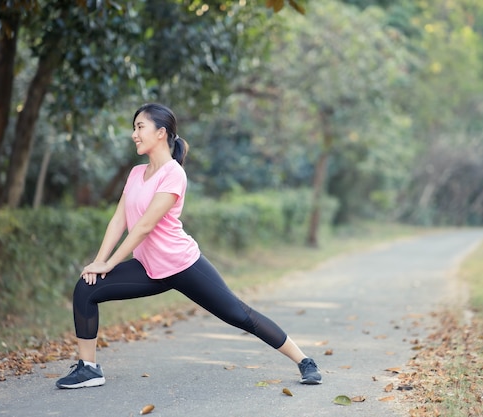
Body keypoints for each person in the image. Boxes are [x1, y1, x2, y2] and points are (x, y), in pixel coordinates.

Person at [55, 103, 322, 389]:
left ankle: (304, 360)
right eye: (134, 128)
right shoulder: (135, 174)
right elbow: (119, 219)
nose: (134, 134)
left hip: (183, 265)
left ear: (161, 133)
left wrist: (109, 264)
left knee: (238, 314)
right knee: (86, 287)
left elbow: (145, 226)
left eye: (139, 127)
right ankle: (89, 368)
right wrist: (99, 261)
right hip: (148, 268)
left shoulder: (173, 174)